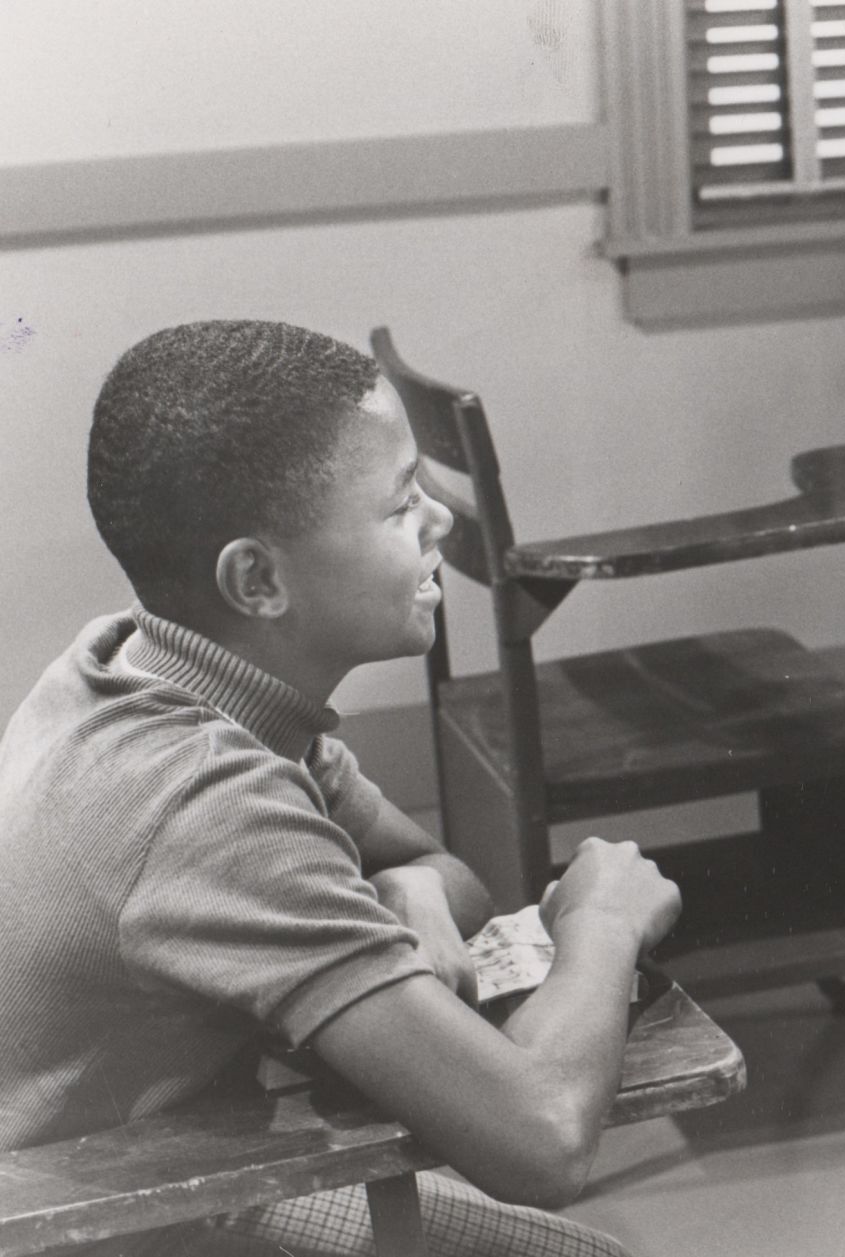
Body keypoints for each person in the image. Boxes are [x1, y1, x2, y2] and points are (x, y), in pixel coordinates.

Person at [0, 321, 681, 1257]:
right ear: (258, 579)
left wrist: (407, 887)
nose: (440, 521)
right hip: (92, 1224)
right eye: (401, 504)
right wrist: (602, 919)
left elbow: (443, 872)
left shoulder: (148, 664)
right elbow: (543, 1135)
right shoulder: (204, 801)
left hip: (152, 1183)